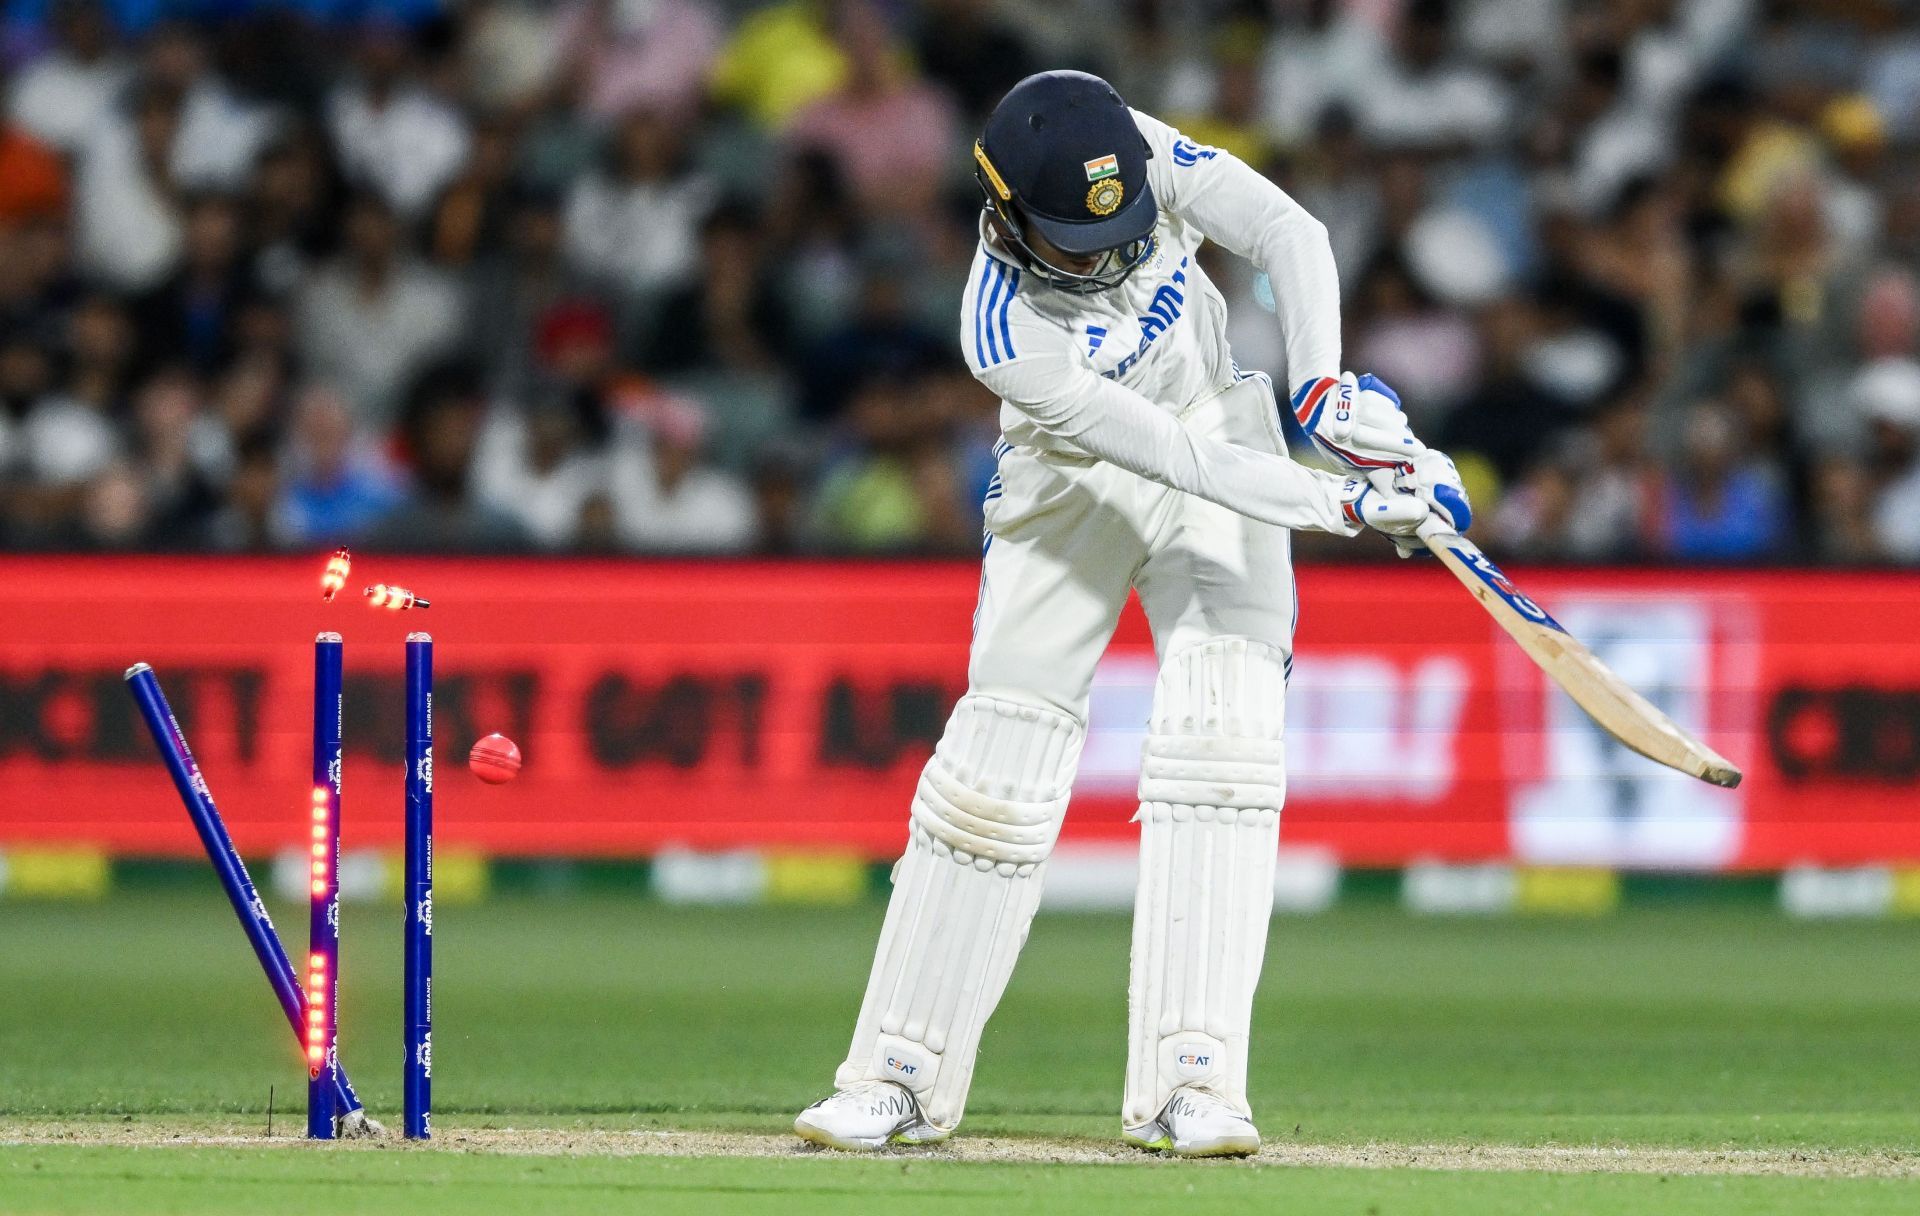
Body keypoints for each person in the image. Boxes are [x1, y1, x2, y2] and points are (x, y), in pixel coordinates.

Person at [792, 72, 1470, 1159]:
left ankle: (1191, 1084)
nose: (1107, 257)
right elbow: (1178, 464)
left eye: (1124, 232)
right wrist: (1338, 499)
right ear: (1006, 212)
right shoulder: (998, 325)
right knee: (997, 762)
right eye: (1075, 240)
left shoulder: (1135, 148)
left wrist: (1321, 391)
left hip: (1220, 411)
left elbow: (1289, 232)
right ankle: (898, 1077)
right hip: (1076, 480)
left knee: (1227, 736)